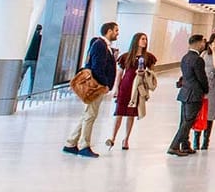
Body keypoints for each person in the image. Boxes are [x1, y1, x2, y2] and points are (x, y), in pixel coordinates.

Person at [65, 22, 118, 158]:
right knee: (90, 115)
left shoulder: (104, 46)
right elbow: (97, 67)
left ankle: (71, 143)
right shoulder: (100, 45)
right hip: (96, 87)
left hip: (98, 86)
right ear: (109, 31)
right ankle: (84, 145)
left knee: (88, 114)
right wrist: (105, 84)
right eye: (116, 30)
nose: (117, 33)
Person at [107, 32, 157, 149]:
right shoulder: (126, 56)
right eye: (142, 39)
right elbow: (119, 73)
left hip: (138, 87)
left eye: (145, 39)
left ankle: (126, 139)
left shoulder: (148, 57)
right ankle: (112, 137)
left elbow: (153, 73)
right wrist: (116, 88)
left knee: (131, 114)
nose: (144, 41)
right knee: (119, 112)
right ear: (136, 41)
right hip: (126, 86)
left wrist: (145, 74)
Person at [169, 34, 209, 157]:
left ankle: (185, 145)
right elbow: (201, 78)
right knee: (188, 121)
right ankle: (174, 146)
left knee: (184, 120)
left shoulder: (185, 57)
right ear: (198, 43)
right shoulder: (198, 59)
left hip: (185, 92)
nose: (204, 44)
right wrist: (206, 90)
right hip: (194, 94)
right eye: (203, 42)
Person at [194, 33, 215, 151]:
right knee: (200, 111)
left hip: (214, 86)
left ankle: (206, 140)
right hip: (203, 84)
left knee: (210, 112)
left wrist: (214, 52)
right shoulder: (203, 54)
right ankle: (196, 138)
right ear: (210, 43)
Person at [20, 24, 42, 93]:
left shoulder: (29, 37)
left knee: (20, 76)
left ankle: (15, 90)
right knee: (32, 78)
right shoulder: (40, 38)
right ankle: (30, 93)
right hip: (34, 60)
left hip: (26, 59)